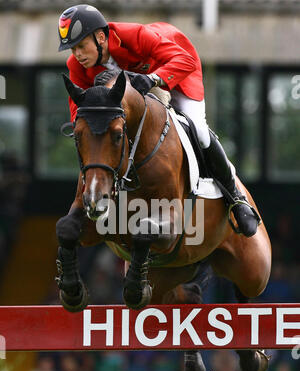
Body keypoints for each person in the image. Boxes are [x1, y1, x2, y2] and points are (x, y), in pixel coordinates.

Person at [58, 4, 260, 237]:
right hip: (133, 99)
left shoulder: (134, 36)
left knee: (199, 130)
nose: (78, 55)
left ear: (101, 37)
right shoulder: (76, 66)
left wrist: (154, 78)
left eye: (81, 46)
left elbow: (184, 60)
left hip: (174, 73)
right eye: (73, 50)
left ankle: (236, 197)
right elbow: (79, 108)